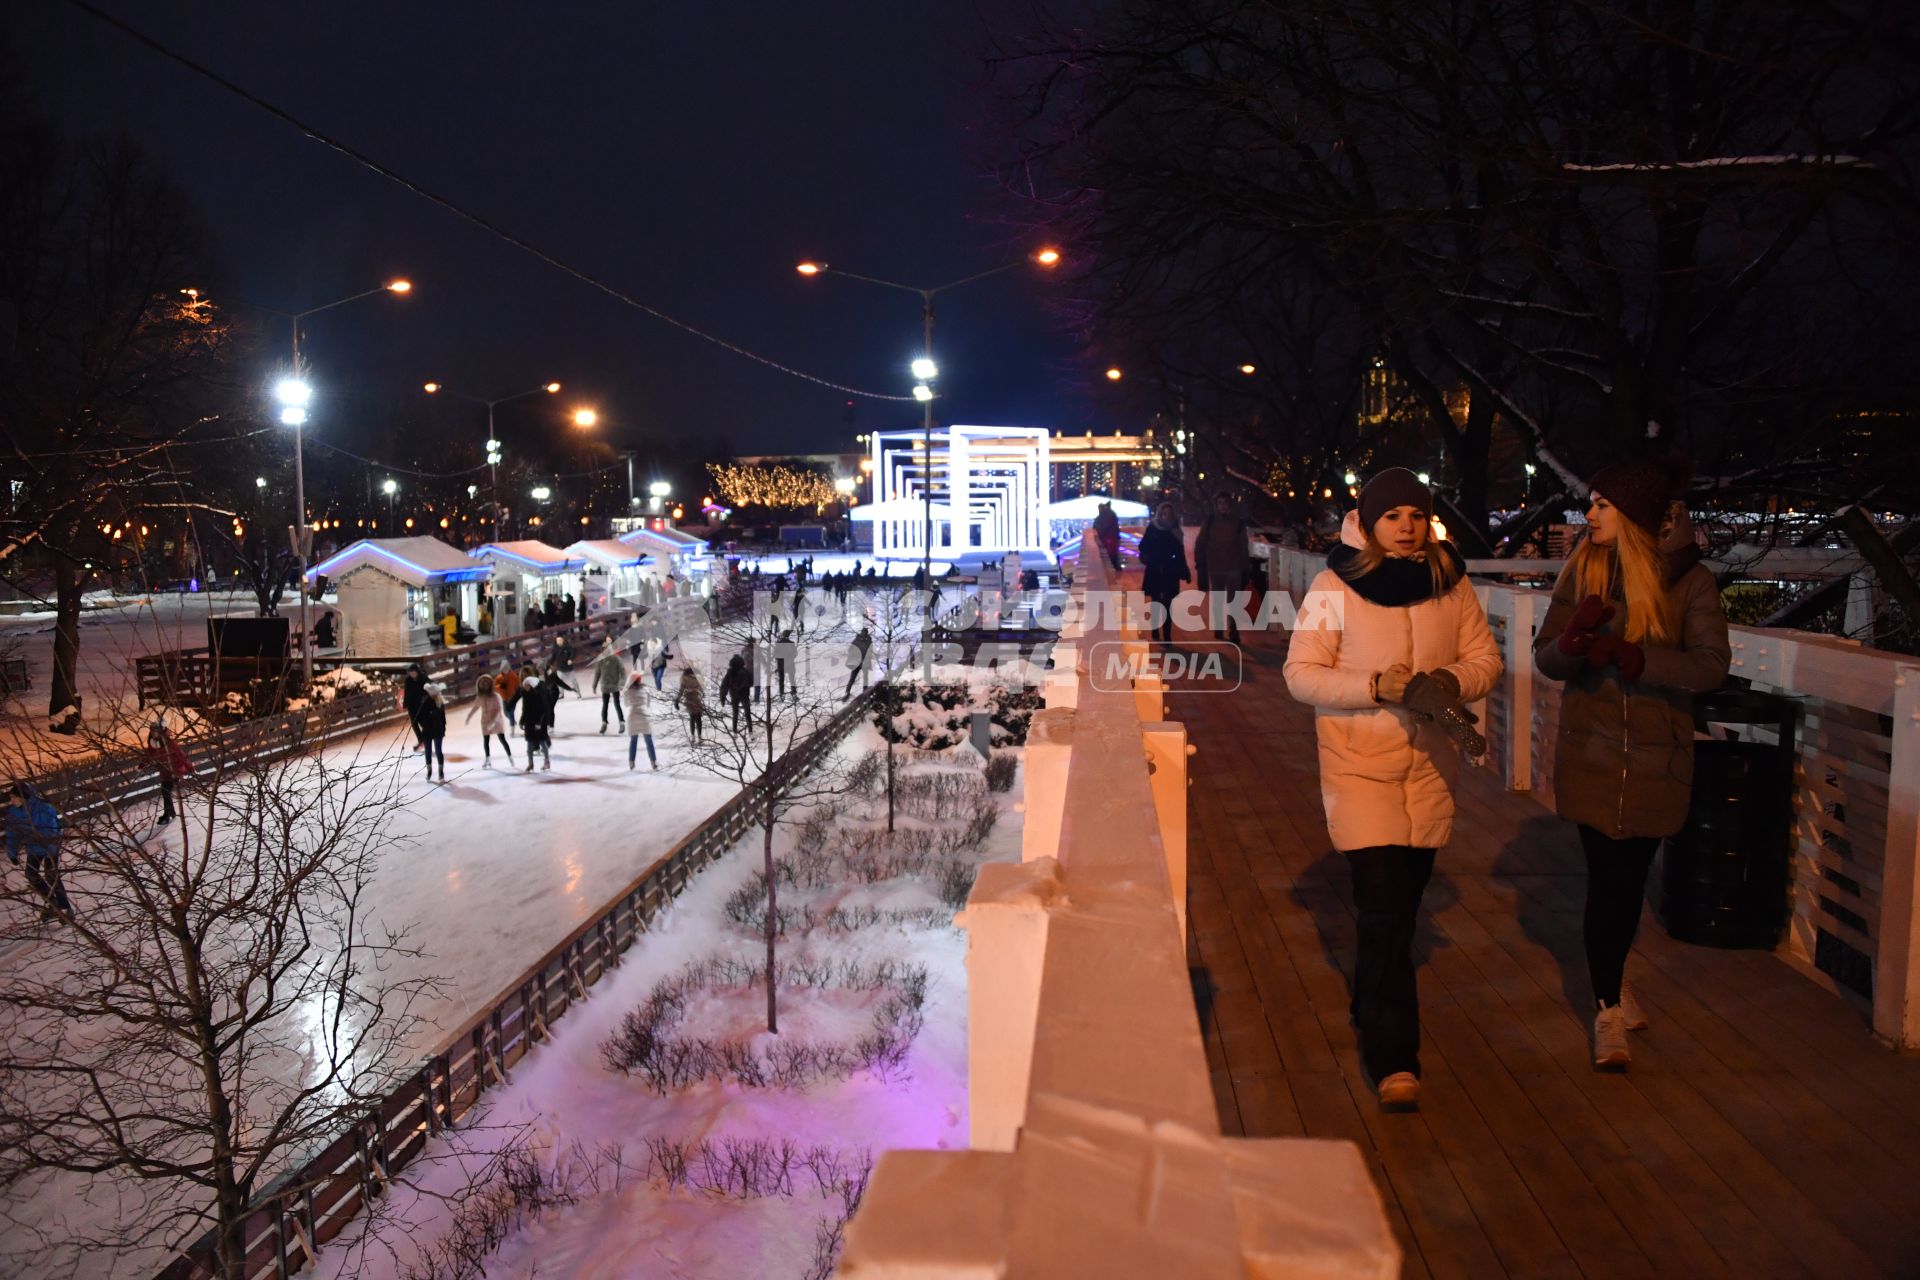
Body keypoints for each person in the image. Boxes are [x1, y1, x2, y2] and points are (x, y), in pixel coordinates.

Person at [1283, 468, 1502, 1109]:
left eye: (1415, 514)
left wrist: (1450, 683)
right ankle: (1393, 1057)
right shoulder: (1332, 585)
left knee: (1400, 913)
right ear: (1369, 523)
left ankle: (1367, 1002)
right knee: (1382, 910)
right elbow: (1300, 675)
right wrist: (1374, 686)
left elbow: (1486, 659)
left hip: (1432, 769)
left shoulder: (1449, 582)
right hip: (1358, 767)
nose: (1406, 527)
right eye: (1392, 517)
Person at [1533, 456, 1729, 1070]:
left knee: (1628, 881)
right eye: (1590, 504)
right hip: (1590, 753)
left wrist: (1642, 661)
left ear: (1636, 518)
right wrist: (1571, 645)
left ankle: (1612, 980)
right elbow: (1546, 656)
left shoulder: (1691, 584)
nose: (1588, 515)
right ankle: (1607, 1010)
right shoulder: (1582, 569)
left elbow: (1710, 666)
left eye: (1601, 505)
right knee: (1608, 884)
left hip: (1654, 760)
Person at [6, 782, 73, 921]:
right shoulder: (14, 813)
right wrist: (12, 853)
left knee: (51, 875)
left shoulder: (44, 808)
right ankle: (52, 903)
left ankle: (66, 907)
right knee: (31, 875)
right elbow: (13, 834)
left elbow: (53, 829)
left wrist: (49, 845)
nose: (11, 801)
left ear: (23, 797)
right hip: (34, 848)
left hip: (50, 847)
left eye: (14, 797)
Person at [1195, 493, 1252, 643]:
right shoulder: (1211, 521)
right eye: (1220, 503)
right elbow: (1201, 542)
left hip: (1233, 566)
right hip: (1216, 566)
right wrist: (1200, 561)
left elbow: (1243, 545)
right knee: (1218, 599)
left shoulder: (1238, 523)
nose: (1222, 506)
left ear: (1230, 505)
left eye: (1225, 503)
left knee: (1234, 601)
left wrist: (1245, 566)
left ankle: (1234, 631)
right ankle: (1219, 627)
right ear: (1216, 505)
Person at [1137, 501, 1191, 645]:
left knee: (1168, 603)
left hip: (1170, 571)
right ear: (1160, 514)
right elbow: (1142, 546)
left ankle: (1167, 635)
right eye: (1164, 514)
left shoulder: (1176, 530)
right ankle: (1155, 630)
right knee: (1156, 602)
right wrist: (1150, 556)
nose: (1167, 517)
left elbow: (1180, 552)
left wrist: (1184, 570)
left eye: (1169, 514)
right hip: (1155, 569)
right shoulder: (1153, 528)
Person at [145, 718, 190, 823]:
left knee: (165, 791)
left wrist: (189, 768)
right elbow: (149, 752)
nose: (153, 733)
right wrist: (144, 762)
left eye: (155, 731)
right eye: (152, 731)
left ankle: (167, 815)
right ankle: (172, 812)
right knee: (166, 792)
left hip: (175, 770)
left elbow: (181, 755)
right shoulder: (153, 742)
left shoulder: (169, 743)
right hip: (165, 770)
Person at [465, 673, 514, 768]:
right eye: (483, 683)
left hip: (496, 721)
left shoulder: (495, 696)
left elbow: (498, 710)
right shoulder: (480, 697)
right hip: (485, 721)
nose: (485, 685)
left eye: (487, 683)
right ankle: (487, 759)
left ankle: (510, 756)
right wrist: (469, 716)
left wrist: (493, 722)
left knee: (502, 739)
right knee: (486, 740)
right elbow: (475, 707)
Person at [518, 667, 555, 771]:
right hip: (529, 721)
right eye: (523, 677)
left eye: (526, 676)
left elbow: (544, 707)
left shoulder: (539, 690)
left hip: (540, 720)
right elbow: (525, 708)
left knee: (542, 741)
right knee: (529, 743)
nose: (525, 679)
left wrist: (540, 721)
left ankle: (547, 762)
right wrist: (522, 720)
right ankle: (531, 763)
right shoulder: (524, 692)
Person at [415, 683, 449, 781]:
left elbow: (443, 717)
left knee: (438, 751)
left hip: (438, 730)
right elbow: (419, 717)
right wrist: (425, 724)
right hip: (427, 731)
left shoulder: (439, 702)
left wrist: (443, 727)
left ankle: (440, 772)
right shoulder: (424, 702)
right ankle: (429, 771)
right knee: (428, 751)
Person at [624, 672, 657, 769]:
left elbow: (626, 704)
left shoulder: (628, 691)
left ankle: (631, 762)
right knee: (649, 740)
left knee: (633, 741)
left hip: (633, 715)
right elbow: (648, 703)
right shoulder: (645, 689)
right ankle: (653, 762)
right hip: (644, 715)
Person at [593, 641, 628, 733]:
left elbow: (623, 673)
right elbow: (597, 673)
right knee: (605, 705)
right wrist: (594, 685)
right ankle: (604, 723)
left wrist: (621, 684)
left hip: (615, 685)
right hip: (605, 685)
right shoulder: (601, 660)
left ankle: (621, 722)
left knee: (617, 704)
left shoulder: (616, 659)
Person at [674, 664, 706, 744]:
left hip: (688, 699)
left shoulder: (685, 678)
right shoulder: (699, 677)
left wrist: (677, 700)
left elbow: (681, 690)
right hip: (697, 699)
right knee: (698, 718)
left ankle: (693, 736)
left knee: (692, 717)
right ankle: (699, 736)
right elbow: (703, 688)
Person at [401, 662, 429, 753]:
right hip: (411, 705)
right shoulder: (408, 681)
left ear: (417, 672)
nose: (412, 674)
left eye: (413, 672)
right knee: (414, 723)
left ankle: (425, 740)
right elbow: (406, 693)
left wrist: (426, 697)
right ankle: (421, 740)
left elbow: (430, 688)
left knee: (423, 723)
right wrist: (405, 704)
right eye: (410, 673)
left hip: (422, 705)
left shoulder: (423, 678)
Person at [719, 654, 752, 732]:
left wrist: (722, 698)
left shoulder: (730, 672)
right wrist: (744, 685)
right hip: (744, 694)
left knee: (735, 713)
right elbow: (751, 682)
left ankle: (734, 730)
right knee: (747, 713)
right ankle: (750, 730)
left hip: (734, 694)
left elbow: (724, 686)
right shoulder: (745, 671)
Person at [1093, 501, 1122, 572]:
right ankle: (1115, 568)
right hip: (1113, 537)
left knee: (1110, 553)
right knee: (1113, 553)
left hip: (1108, 537)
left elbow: (1102, 527)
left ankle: (1113, 569)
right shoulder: (1112, 514)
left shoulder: (1102, 517)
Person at [844, 626, 873, 696]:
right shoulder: (856, 640)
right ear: (861, 633)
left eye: (865, 633)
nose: (864, 634)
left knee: (865, 678)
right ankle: (847, 692)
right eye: (863, 632)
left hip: (865, 662)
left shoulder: (869, 641)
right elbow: (850, 650)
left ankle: (865, 692)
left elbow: (870, 651)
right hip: (856, 662)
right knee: (853, 677)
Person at [496, 661, 523, 727]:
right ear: (501, 669)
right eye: (504, 669)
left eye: (506, 669)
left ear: (509, 668)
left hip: (512, 697)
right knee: (506, 713)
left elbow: (518, 685)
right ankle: (512, 720)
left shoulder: (514, 676)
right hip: (504, 698)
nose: (505, 670)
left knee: (511, 712)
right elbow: (496, 687)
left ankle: (512, 725)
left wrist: (517, 693)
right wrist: (502, 686)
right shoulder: (499, 678)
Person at [773, 627, 797, 700]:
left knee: (781, 680)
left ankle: (782, 694)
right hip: (790, 664)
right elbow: (795, 654)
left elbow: (775, 655)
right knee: (792, 679)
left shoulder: (778, 643)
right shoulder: (792, 643)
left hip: (781, 664)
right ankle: (794, 693)